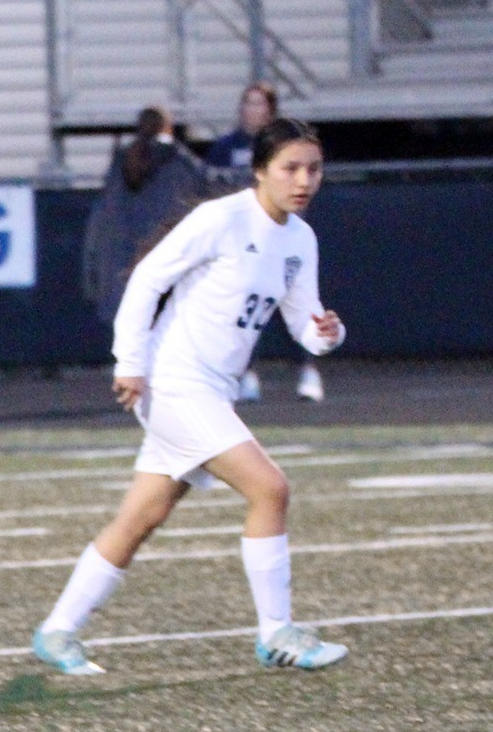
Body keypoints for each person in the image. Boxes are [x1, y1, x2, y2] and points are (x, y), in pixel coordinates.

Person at [34, 118, 348, 676]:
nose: (303, 180)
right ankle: (276, 632)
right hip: (173, 382)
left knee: (143, 515)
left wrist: (327, 333)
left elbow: (305, 323)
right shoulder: (221, 219)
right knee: (270, 488)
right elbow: (146, 279)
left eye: (313, 169)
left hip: (212, 392)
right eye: (290, 168)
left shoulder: (301, 239)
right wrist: (130, 362)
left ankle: (58, 631)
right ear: (260, 170)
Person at [208, 83, 324, 403]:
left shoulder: (286, 147)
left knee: (292, 305)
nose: (251, 110)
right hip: (240, 242)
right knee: (243, 309)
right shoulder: (225, 147)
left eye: (258, 104)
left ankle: (308, 370)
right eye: (247, 103)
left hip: (276, 238)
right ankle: (245, 374)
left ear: (270, 110)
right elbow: (213, 190)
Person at [83, 106, 208, 329]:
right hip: (167, 288)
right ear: (168, 128)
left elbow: (98, 230)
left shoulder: (120, 167)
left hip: (121, 286)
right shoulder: (181, 164)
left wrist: (93, 279)